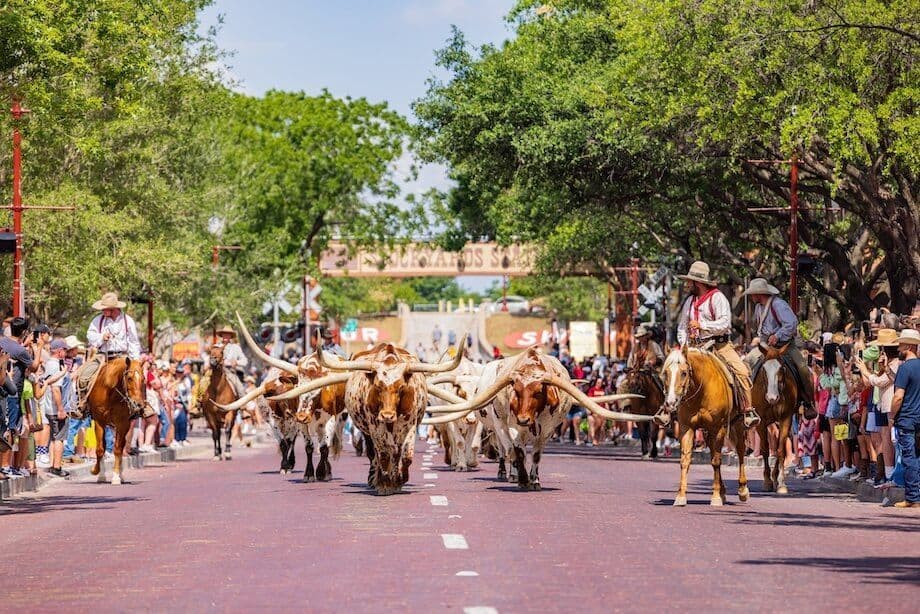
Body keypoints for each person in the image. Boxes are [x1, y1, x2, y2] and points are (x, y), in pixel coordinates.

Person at [676, 261, 759, 427]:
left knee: (741, 371)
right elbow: (682, 327)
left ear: (697, 282)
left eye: (689, 281)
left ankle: (747, 410)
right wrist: (684, 345)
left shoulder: (718, 298)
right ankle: (669, 408)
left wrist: (702, 326)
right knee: (674, 371)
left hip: (719, 346)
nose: (687, 284)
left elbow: (725, 324)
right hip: (694, 349)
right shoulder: (689, 301)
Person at [743, 278, 815, 410]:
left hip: (784, 346)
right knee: (745, 364)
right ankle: (746, 403)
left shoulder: (778, 305)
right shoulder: (759, 308)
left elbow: (792, 323)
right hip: (765, 347)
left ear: (759, 293)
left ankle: (808, 402)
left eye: (753, 293)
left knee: (803, 369)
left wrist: (777, 335)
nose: (751, 296)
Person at [80, 292, 142, 406]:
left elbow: (133, 342)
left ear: (113, 309)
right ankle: (83, 405)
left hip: (123, 357)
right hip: (102, 356)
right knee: (84, 376)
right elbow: (90, 335)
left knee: (138, 378)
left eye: (105, 308)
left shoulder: (128, 321)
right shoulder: (98, 320)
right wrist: (101, 337)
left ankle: (142, 405)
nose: (102, 311)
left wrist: (135, 360)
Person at [0, 317, 44, 478]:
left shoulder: (4, 343)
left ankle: (7, 466)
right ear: (25, 332)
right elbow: (33, 367)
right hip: (12, 393)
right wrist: (39, 347)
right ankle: (5, 466)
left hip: (3, 392)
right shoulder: (20, 351)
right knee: (10, 428)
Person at [890, 328, 920, 508]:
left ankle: (913, 498)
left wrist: (893, 415)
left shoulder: (904, 369)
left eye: (901, 345)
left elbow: (898, 396)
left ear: (908, 346)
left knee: (910, 458)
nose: (899, 348)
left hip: (907, 419)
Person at [215, 325, 248, 398]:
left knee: (240, 388)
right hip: (217, 371)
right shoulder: (216, 346)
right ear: (222, 335)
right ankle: (198, 403)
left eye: (228, 334)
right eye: (224, 333)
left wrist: (237, 362)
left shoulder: (236, 347)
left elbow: (245, 361)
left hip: (230, 372)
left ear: (230, 336)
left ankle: (243, 405)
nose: (226, 335)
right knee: (204, 383)